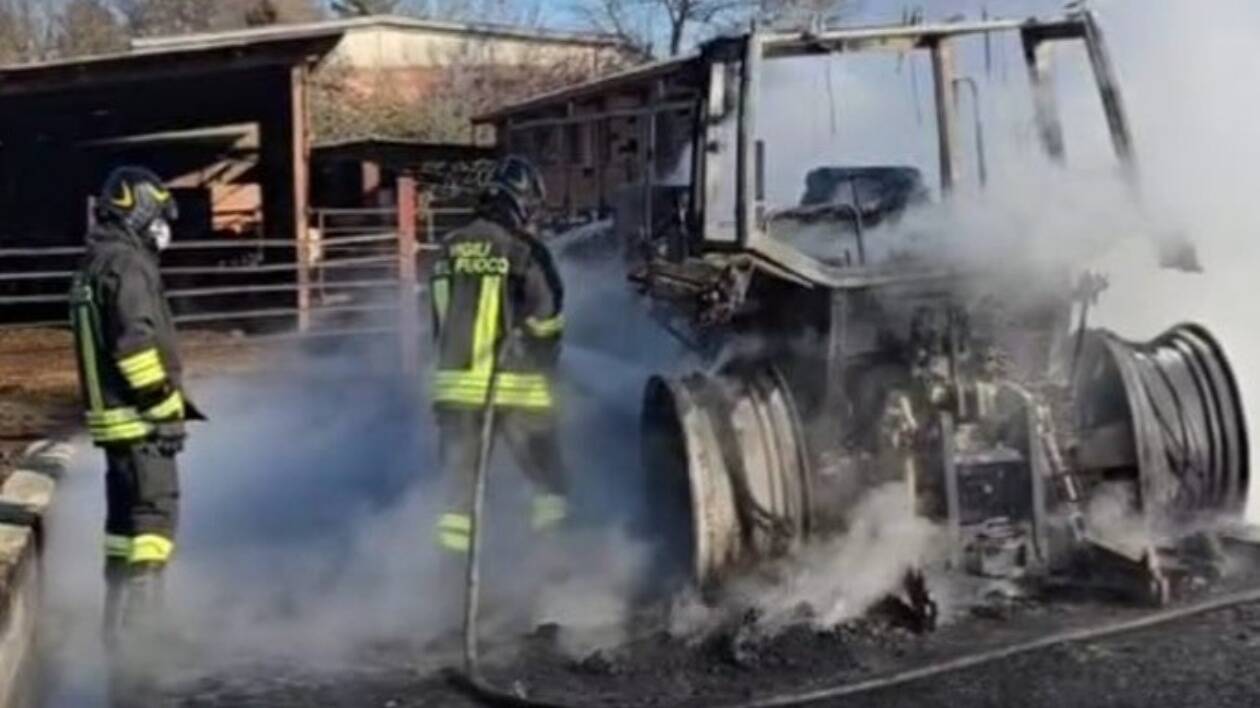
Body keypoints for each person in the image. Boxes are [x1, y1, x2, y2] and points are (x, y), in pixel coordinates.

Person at [69, 166, 199, 644]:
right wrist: (165, 406)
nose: (164, 228)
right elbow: (135, 344)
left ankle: (117, 632)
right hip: (141, 422)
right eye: (160, 215)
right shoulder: (128, 264)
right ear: (142, 207)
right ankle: (145, 642)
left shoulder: (95, 262)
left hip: (114, 425)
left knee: (122, 530)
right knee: (153, 522)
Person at [428, 155, 569, 564]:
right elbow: (547, 322)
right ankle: (553, 571)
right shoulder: (525, 251)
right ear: (521, 203)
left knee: (458, 501)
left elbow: (439, 317)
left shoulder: (449, 248)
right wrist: (546, 359)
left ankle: (452, 585)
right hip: (519, 389)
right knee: (549, 489)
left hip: (456, 392)